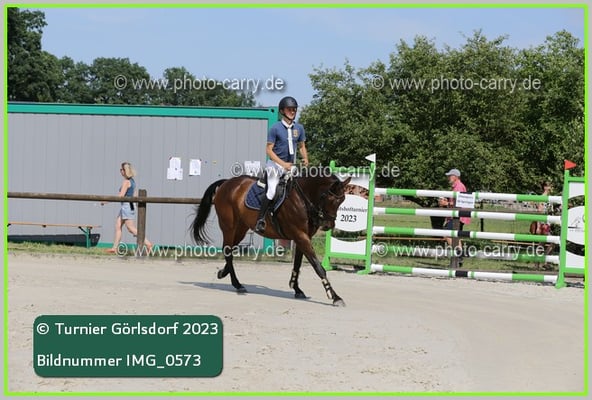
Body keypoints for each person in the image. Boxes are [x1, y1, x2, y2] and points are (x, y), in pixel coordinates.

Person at [255, 96, 309, 233]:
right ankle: (261, 219)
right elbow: (269, 150)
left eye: (294, 109)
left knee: (301, 188)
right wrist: (282, 164)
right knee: (272, 190)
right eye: (289, 109)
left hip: (290, 165)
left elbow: (302, 146)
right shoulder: (275, 128)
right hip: (274, 165)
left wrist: (305, 158)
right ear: (282, 111)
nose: (292, 111)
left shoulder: (299, 128)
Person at [105, 162, 153, 254]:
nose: (120, 171)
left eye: (121, 169)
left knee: (131, 228)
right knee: (118, 225)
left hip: (127, 205)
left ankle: (148, 244)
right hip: (128, 205)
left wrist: (106, 201)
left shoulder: (126, 182)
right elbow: (134, 194)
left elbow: (121, 196)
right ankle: (114, 248)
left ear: (124, 171)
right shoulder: (132, 181)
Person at [438, 168, 470, 266]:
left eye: (450, 176)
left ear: (455, 177)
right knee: (455, 237)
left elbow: (458, 203)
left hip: (457, 216)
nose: (448, 178)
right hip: (457, 216)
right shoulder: (457, 186)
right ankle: (459, 258)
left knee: (447, 234)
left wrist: (446, 203)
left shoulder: (458, 187)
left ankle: (460, 255)